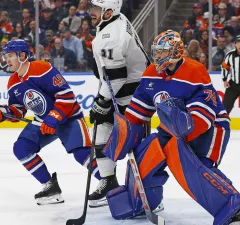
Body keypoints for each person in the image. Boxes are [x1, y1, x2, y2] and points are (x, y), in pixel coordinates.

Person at [101, 30, 240, 224]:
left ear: (175, 52)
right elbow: (137, 113)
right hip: (173, 127)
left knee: (196, 165)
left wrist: (180, 139)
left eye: (162, 51)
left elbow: (203, 116)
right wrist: (125, 133)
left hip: (211, 126)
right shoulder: (151, 73)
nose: (157, 56)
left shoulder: (195, 71)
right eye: (156, 51)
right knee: (146, 154)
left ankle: (235, 208)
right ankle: (140, 202)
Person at [0, 39, 102, 205]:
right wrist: (3, 112)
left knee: (81, 153)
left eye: (10, 56)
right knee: (22, 147)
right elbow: (18, 109)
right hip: (44, 121)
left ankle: (109, 184)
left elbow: (66, 96)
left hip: (69, 117)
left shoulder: (41, 69)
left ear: (23, 55)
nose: (6, 60)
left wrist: (53, 118)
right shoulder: (13, 82)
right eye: (6, 56)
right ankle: (50, 187)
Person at [87, 0, 150, 208]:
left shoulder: (110, 35)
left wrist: (101, 101)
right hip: (131, 90)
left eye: (95, 8)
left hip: (131, 96)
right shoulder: (115, 21)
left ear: (108, 11)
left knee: (137, 145)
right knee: (102, 132)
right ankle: (109, 181)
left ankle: (147, 192)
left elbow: (116, 77)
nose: (90, 12)